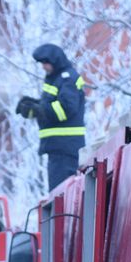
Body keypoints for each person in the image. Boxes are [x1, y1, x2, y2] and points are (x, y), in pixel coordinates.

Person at [16, 43, 86, 191]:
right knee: (58, 193)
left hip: (65, 147)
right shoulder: (55, 78)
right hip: (58, 147)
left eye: (45, 63)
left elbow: (66, 108)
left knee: (62, 193)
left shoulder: (68, 78)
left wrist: (40, 109)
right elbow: (49, 106)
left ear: (55, 61)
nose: (43, 67)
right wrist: (32, 105)